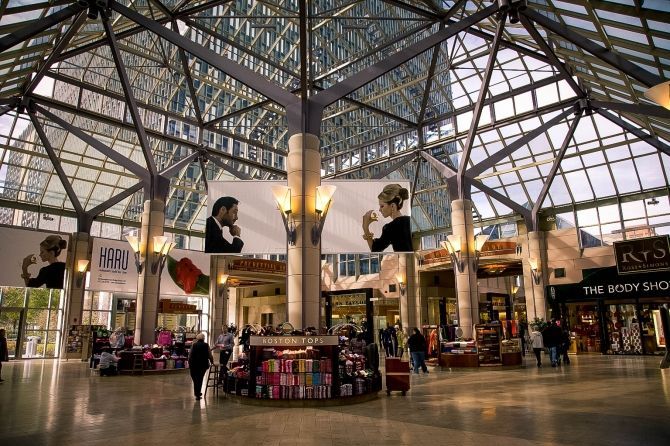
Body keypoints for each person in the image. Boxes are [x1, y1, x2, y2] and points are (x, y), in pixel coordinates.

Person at [362, 184, 412, 252]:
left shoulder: (390, 228)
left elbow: (375, 249)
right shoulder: (410, 220)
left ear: (392, 206)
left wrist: (365, 227)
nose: (380, 210)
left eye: (382, 206)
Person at [188, 333, 213, 400]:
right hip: (203, 365)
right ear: (204, 338)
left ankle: (197, 393)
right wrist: (212, 362)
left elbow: (190, 355)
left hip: (194, 365)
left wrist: (189, 364)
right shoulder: (206, 345)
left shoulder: (194, 345)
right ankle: (198, 393)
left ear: (197, 338)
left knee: (195, 379)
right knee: (200, 379)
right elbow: (210, 355)